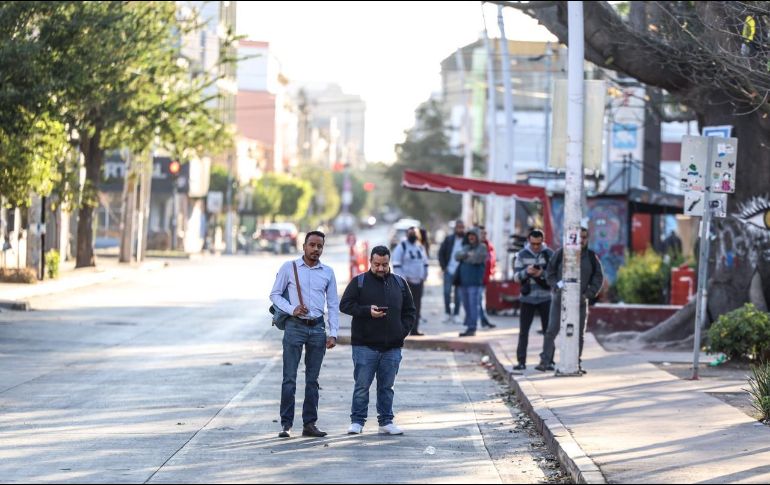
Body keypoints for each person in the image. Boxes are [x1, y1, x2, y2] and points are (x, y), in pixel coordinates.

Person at [339, 245, 416, 435]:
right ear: (370, 262)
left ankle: (386, 421)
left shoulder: (400, 283)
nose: (381, 268)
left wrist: (401, 331)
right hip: (364, 346)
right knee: (362, 386)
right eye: (376, 264)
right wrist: (367, 311)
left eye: (384, 264)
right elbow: (345, 305)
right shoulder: (359, 282)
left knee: (387, 387)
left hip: (392, 347)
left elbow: (410, 311)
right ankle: (357, 421)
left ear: (389, 263)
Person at [269, 230, 340, 438]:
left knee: (312, 380)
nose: (316, 249)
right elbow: (274, 294)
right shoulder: (289, 268)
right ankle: (286, 425)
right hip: (294, 327)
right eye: (312, 245)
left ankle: (309, 424)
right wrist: (292, 309)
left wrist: (333, 332)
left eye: (319, 246)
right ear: (304, 246)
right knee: (289, 378)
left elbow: (333, 304)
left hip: (317, 328)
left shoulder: (328, 272)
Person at [536, 226, 604, 373]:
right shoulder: (561, 253)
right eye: (579, 237)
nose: (582, 240)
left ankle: (576, 362)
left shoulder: (592, 257)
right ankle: (545, 360)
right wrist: (558, 287)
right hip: (560, 299)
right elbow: (550, 273)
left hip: (580, 301)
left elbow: (598, 278)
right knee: (551, 330)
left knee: (578, 334)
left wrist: (587, 294)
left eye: (585, 237)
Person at [512, 229, 554, 370]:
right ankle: (521, 361)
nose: (536, 247)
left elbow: (555, 277)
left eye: (538, 243)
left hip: (545, 298)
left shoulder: (549, 254)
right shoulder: (521, 255)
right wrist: (526, 272)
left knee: (548, 331)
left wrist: (542, 273)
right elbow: (516, 277)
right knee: (524, 331)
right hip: (527, 298)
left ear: (542, 241)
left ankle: (548, 361)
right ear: (529, 241)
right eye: (533, 244)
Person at [391, 226, 429, 336]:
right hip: (407, 282)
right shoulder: (401, 246)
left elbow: (425, 262)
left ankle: (415, 329)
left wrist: (424, 275)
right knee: (404, 307)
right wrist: (402, 280)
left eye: (415, 233)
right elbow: (396, 263)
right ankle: (402, 329)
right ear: (407, 234)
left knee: (417, 306)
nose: (413, 235)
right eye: (411, 233)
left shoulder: (420, 247)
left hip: (419, 281)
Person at [455, 228, 489, 337]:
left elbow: (476, 259)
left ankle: (472, 328)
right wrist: (468, 254)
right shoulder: (466, 247)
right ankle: (469, 326)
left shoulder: (482, 247)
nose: (471, 237)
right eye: (469, 235)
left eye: (473, 235)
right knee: (466, 306)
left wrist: (466, 256)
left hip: (475, 283)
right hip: (463, 282)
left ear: (477, 236)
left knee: (473, 305)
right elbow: (457, 256)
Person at [438, 220, 466, 324]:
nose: (460, 229)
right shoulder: (449, 239)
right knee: (446, 292)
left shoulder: (466, 240)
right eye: (459, 227)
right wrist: (443, 267)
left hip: (460, 271)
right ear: (455, 228)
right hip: (449, 270)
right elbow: (441, 253)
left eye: (462, 227)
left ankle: (456, 314)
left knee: (458, 294)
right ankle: (447, 313)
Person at [478, 226, 496, 329]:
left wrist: (492, 273)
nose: (483, 235)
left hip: (486, 278)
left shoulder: (489, 246)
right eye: (481, 233)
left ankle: (483, 320)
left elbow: (492, 262)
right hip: (478, 278)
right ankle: (483, 321)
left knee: (481, 301)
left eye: (485, 233)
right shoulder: (477, 247)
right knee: (480, 301)